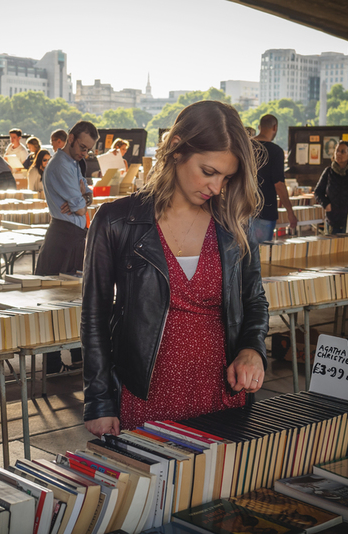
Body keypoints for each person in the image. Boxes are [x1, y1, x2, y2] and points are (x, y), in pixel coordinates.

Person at [82, 100, 269, 435]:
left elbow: (254, 301)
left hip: (222, 395)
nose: (216, 187)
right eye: (208, 172)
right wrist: (99, 401)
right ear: (177, 147)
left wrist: (252, 350)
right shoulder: (115, 221)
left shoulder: (234, 224)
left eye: (226, 178)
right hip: (145, 396)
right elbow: (93, 317)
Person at [37, 121, 97, 373]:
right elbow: (83, 206)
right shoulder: (62, 165)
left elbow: (88, 195)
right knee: (55, 298)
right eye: (82, 147)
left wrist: (80, 198)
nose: (84, 153)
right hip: (64, 234)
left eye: (88, 150)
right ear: (70, 138)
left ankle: (73, 356)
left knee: (72, 297)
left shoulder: (73, 163)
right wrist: (80, 201)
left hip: (72, 233)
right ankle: (52, 362)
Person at [253, 114, 297, 242]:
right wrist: (290, 211)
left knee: (241, 256)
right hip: (265, 210)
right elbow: (279, 184)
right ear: (275, 127)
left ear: (259, 127)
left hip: (241, 210)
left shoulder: (245, 146)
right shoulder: (276, 152)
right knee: (261, 255)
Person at [314, 141, 348, 234]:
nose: (338, 154)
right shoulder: (328, 172)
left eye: (343, 151)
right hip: (332, 219)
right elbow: (317, 191)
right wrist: (326, 204)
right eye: (337, 151)